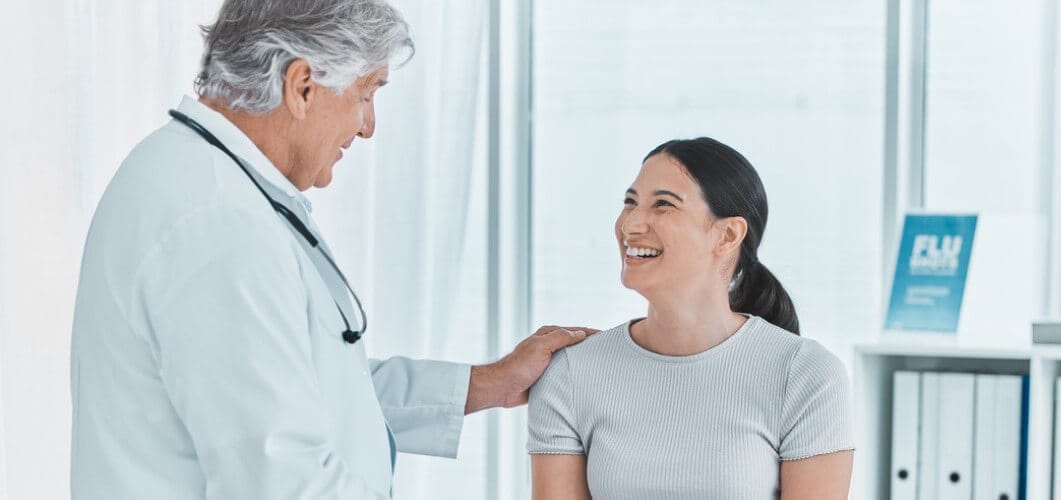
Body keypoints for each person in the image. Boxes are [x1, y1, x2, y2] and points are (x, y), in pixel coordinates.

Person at [69, 1, 595, 498]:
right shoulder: (216, 223)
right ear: (301, 86)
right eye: (366, 94)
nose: (368, 126)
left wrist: (491, 384)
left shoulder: (203, 184)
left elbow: (312, 389)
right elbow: (282, 479)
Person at [527, 137, 855, 499]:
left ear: (727, 235)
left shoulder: (806, 374)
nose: (631, 224)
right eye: (630, 202)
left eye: (663, 204)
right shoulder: (570, 373)